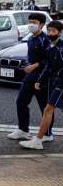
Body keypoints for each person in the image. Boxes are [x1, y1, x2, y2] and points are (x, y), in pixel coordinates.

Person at [7, 12, 53, 142]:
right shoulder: (31, 38)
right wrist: (29, 65)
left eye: (34, 22)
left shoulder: (46, 40)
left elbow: (50, 60)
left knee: (44, 106)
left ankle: (47, 134)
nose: (31, 24)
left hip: (43, 76)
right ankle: (23, 130)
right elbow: (30, 56)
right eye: (30, 22)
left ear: (41, 25)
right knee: (21, 101)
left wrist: (35, 65)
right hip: (30, 75)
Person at [20, 19, 63, 150]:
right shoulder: (50, 48)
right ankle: (42, 138)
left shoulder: (61, 48)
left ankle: (38, 140)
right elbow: (48, 67)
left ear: (60, 32)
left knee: (48, 109)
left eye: (53, 31)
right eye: (48, 31)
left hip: (61, 82)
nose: (50, 33)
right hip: (55, 81)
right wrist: (40, 80)